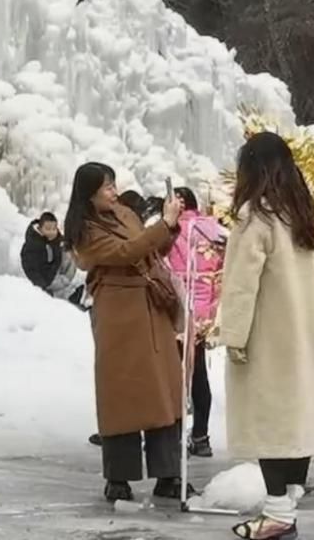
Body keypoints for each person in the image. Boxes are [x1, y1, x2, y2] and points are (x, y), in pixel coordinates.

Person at [219, 132, 314, 540]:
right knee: (295, 421)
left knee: (270, 423)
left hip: (267, 336)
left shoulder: (256, 217)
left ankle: (278, 513)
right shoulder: (300, 214)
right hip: (301, 335)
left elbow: (241, 284)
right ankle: (288, 505)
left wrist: (233, 335)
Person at [65, 162, 194, 503]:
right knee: (121, 393)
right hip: (118, 312)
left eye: (113, 185)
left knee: (163, 392)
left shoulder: (124, 213)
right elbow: (125, 253)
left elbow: (148, 250)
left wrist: (170, 226)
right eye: (107, 187)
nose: (114, 192)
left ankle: (168, 473)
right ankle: (118, 477)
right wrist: (162, 224)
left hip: (151, 307)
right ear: (89, 194)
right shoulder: (84, 229)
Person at [166, 186, 225, 459]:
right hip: (203, 311)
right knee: (198, 372)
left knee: (173, 374)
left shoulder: (170, 229)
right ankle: (201, 436)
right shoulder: (212, 230)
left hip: (177, 308)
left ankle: (173, 436)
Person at [21, 212, 85, 306]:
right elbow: (31, 269)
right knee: (58, 290)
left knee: (69, 251)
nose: (52, 232)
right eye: (48, 229)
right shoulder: (33, 245)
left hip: (57, 271)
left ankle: (76, 293)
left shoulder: (57, 239)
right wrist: (40, 286)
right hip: (45, 279)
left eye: (54, 229)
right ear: (40, 228)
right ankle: (67, 296)